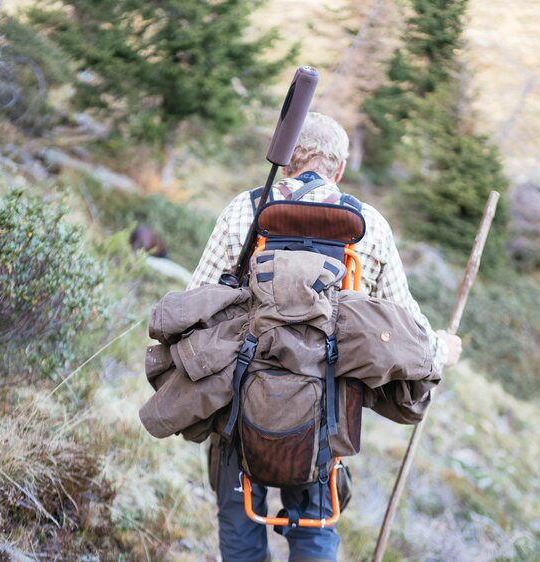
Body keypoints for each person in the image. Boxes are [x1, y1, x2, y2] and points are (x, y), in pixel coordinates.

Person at [188, 112, 462, 562]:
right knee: (315, 532)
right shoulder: (367, 225)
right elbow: (407, 329)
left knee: (238, 528)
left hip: (240, 405)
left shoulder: (246, 210)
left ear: (289, 160)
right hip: (327, 414)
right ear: (339, 169)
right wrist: (444, 351)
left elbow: (198, 302)